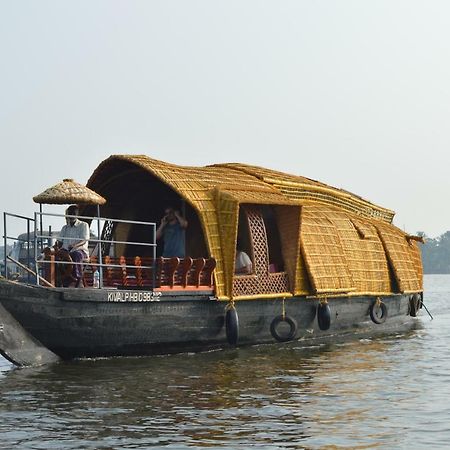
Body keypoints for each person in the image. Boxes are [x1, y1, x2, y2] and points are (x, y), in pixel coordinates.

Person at [57, 205, 90, 287]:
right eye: (70, 213)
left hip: (80, 251)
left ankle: (77, 279)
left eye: (73, 213)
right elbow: (60, 243)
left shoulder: (84, 225)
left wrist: (74, 246)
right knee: (55, 257)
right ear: (67, 214)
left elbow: (84, 240)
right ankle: (59, 280)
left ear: (77, 215)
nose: (71, 215)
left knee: (76, 255)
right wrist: (55, 248)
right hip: (66, 252)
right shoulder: (65, 228)